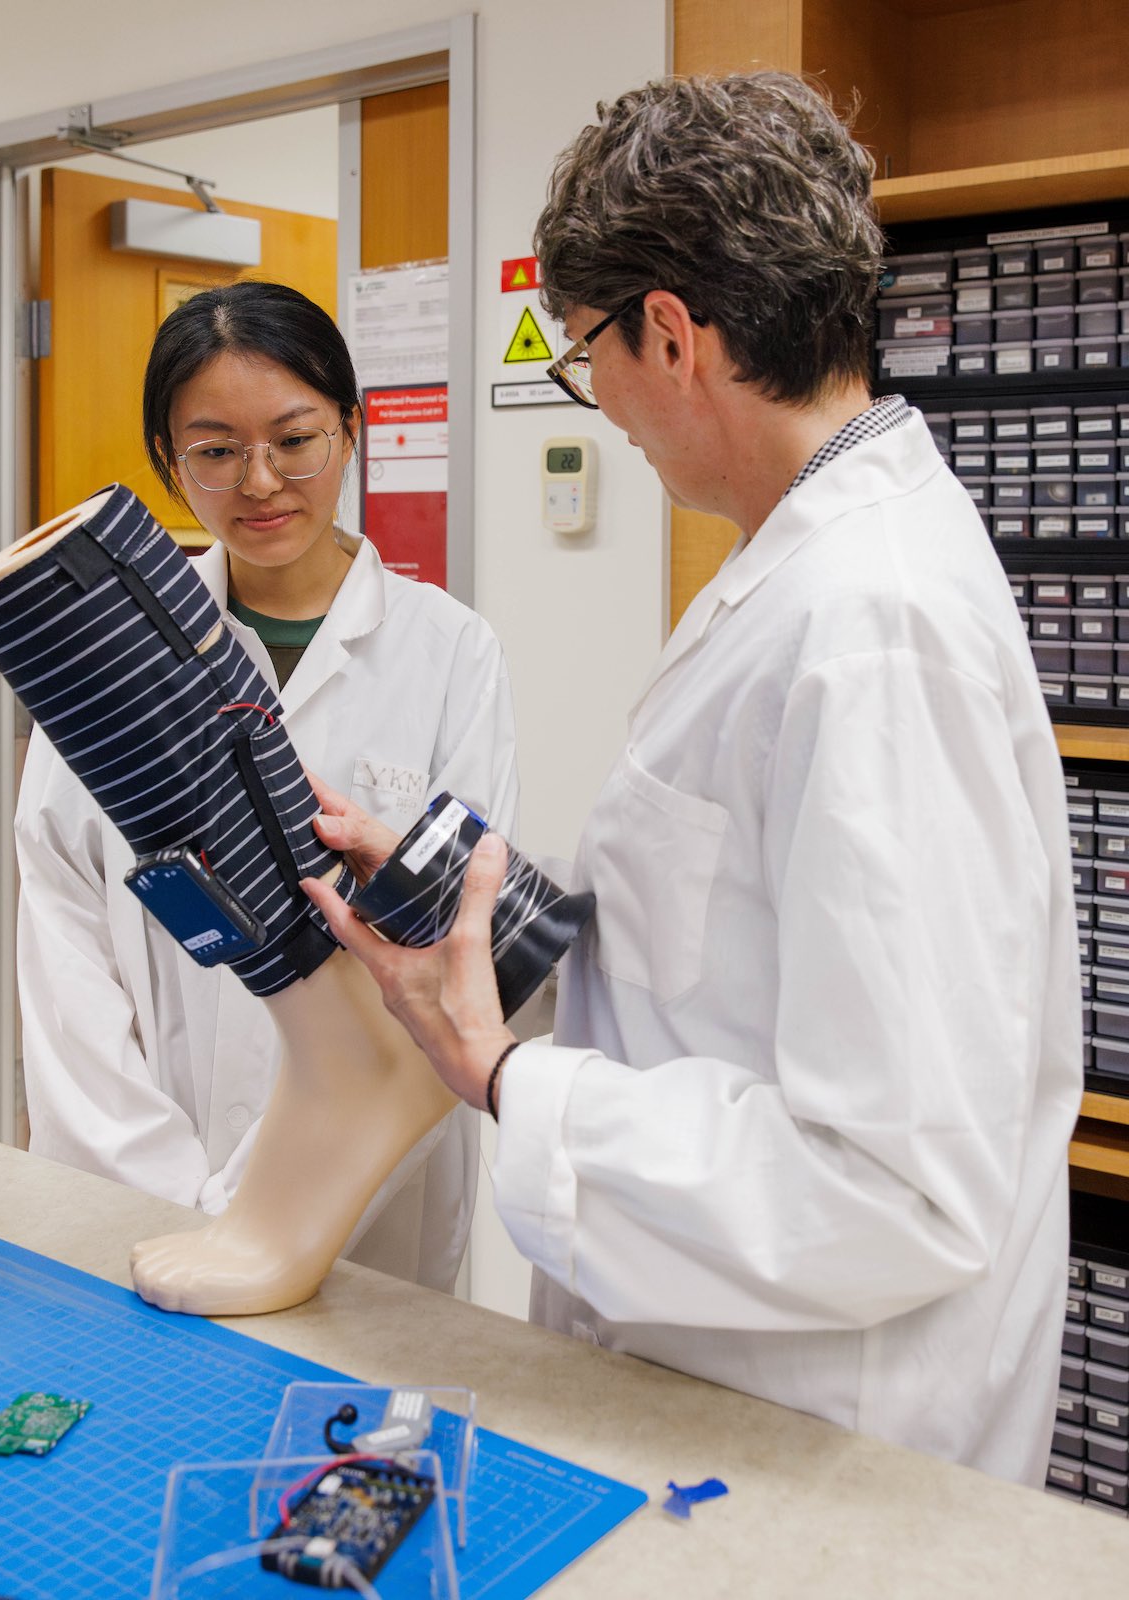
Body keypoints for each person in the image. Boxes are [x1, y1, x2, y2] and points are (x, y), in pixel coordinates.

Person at [305, 72, 1079, 1484]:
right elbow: (723, 952)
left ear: (671, 332)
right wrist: (485, 910)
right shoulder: (802, 557)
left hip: (824, 1432)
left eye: (581, 347)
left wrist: (502, 1073)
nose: (589, 395)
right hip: (727, 1377)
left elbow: (892, 1185)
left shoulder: (869, 625)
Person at [13, 281, 519, 1292]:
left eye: (294, 439)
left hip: (367, 1206)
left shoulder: (450, 651)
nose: (260, 481)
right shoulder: (104, 657)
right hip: (145, 1172)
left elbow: (464, 951)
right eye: (214, 449)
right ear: (168, 460)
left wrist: (276, 1211)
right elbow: (62, 927)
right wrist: (164, 1190)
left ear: (351, 431)